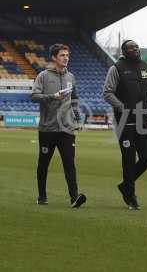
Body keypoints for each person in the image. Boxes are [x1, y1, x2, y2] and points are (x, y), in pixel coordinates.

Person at [31, 43, 86, 208]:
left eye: (67, 55)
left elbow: (74, 98)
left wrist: (77, 117)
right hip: (47, 128)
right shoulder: (43, 76)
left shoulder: (71, 77)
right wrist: (53, 96)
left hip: (66, 129)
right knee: (43, 164)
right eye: (62, 55)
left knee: (69, 163)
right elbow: (34, 96)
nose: (66, 58)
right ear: (54, 57)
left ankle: (74, 197)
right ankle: (42, 195)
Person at [103, 40, 147, 210]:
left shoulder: (145, 66)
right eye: (131, 47)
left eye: (136, 46)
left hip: (143, 120)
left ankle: (125, 185)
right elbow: (107, 93)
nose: (135, 49)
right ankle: (130, 195)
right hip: (125, 121)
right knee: (129, 160)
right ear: (124, 51)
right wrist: (122, 107)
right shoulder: (116, 68)